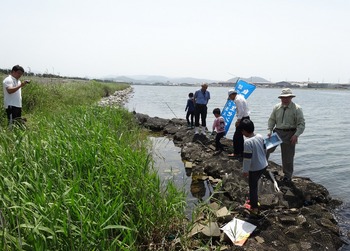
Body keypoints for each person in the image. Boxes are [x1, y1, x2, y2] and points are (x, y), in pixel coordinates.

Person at [267, 88, 305, 182]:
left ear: (291, 97)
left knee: (288, 157)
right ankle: (262, 167)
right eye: (283, 97)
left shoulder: (297, 108)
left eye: (287, 97)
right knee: (265, 148)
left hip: (290, 134)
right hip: (277, 132)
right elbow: (272, 119)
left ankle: (287, 176)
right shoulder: (276, 107)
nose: (285, 99)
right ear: (280, 98)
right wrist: (269, 130)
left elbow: (301, 124)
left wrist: (296, 135)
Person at [241, 118, 268, 215]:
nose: (242, 133)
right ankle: (253, 200)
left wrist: (245, 170)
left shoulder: (247, 142)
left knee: (252, 187)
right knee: (255, 184)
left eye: (242, 131)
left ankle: (254, 207)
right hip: (263, 164)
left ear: (244, 131)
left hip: (255, 168)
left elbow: (247, 159)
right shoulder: (260, 136)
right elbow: (265, 149)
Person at [227, 89, 250, 158]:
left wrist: (238, 121)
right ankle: (242, 152)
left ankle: (236, 153)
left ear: (232, 95)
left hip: (243, 118)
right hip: (246, 117)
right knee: (240, 136)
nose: (230, 99)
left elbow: (241, 111)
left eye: (230, 97)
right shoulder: (241, 97)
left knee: (236, 137)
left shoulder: (237, 100)